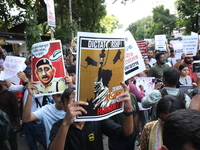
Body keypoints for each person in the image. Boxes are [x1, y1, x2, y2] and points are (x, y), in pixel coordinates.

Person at [49, 83, 135, 150]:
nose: (76, 106)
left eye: (78, 101)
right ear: (64, 107)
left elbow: (126, 135)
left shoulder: (97, 120)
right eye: (70, 103)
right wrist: (65, 124)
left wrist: (128, 109)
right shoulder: (58, 126)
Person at [0, 80, 21, 150]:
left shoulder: (10, 94)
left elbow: (16, 110)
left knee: (13, 144)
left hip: (11, 125)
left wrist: (17, 123)